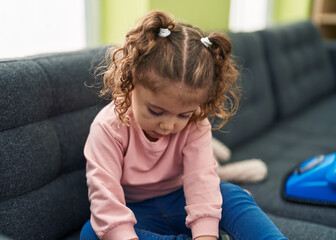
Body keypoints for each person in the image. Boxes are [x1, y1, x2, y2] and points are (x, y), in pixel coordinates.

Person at [81, 10, 287, 240]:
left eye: (183, 115)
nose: (168, 125)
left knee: (231, 195)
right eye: (156, 111)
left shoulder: (196, 122)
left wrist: (206, 234)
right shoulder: (108, 127)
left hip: (182, 200)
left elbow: (202, 184)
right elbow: (106, 199)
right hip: (136, 213)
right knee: (92, 232)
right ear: (131, 81)